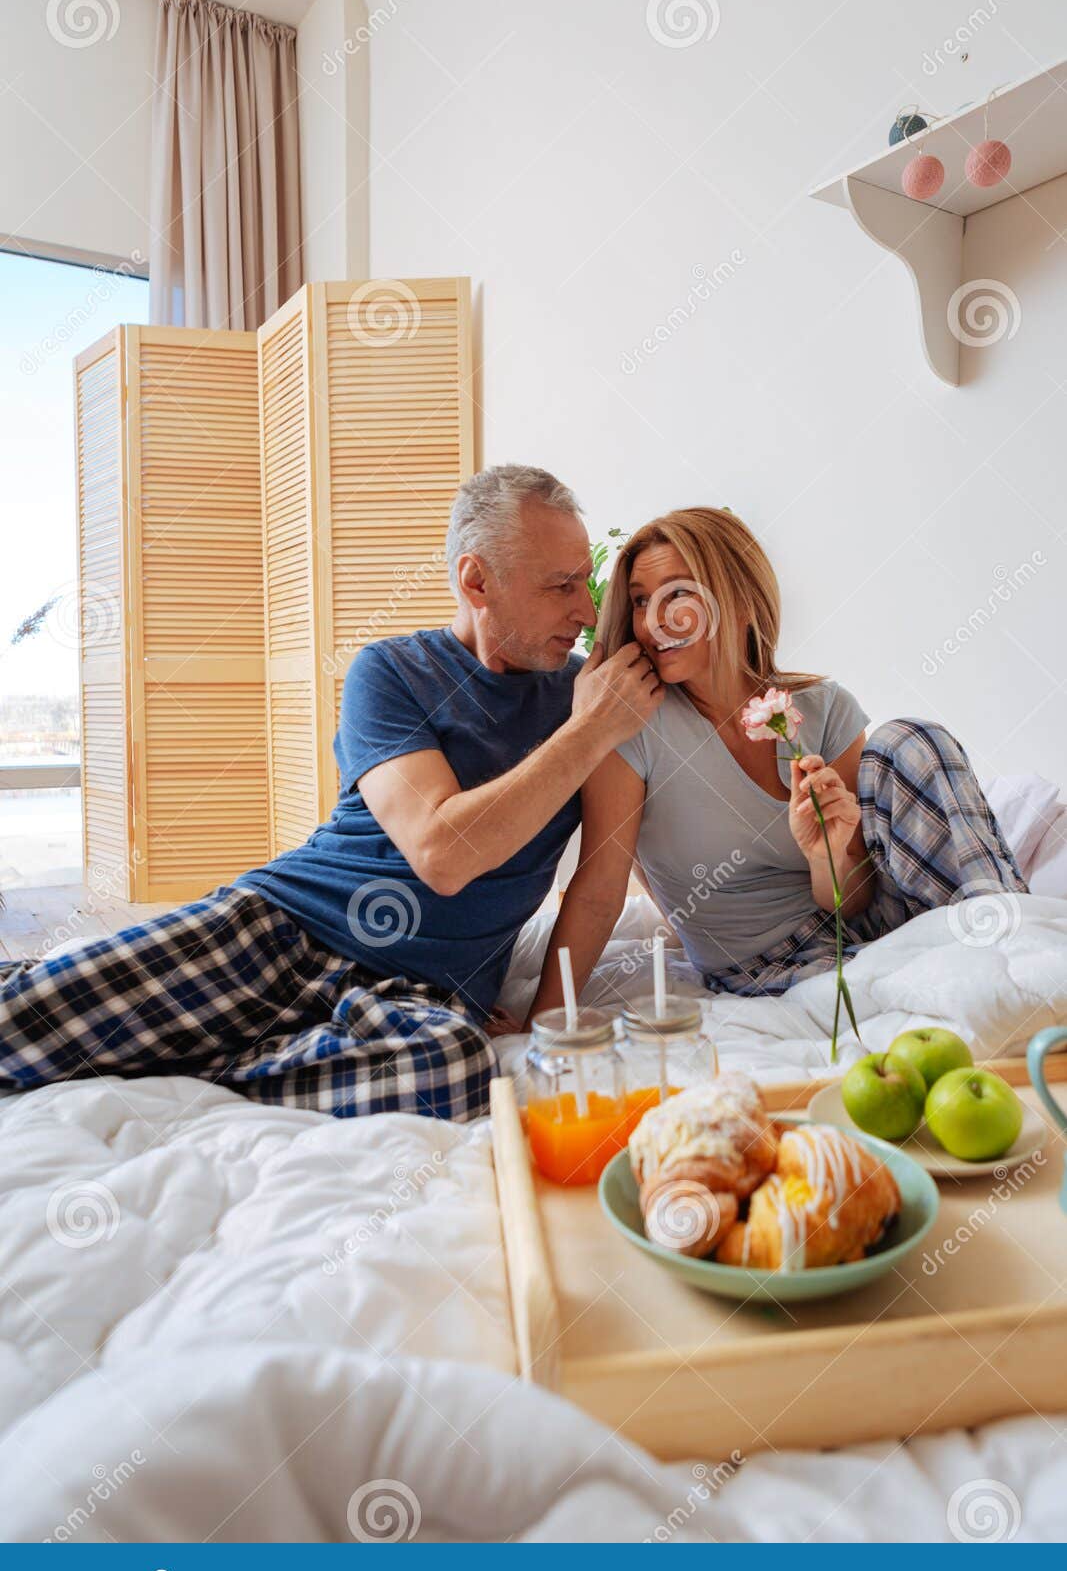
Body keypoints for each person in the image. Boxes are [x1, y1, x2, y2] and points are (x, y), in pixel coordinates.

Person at [0, 465, 662, 1120]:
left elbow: (600, 887)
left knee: (457, 1071)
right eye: (561, 585)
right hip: (287, 931)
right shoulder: (393, 671)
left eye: (584, 582)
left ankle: (192, 1075)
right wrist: (588, 730)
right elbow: (441, 854)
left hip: (424, 992)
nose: (586, 610)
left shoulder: (593, 701)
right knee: (19, 1030)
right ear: (476, 579)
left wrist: (545, 1021)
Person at [524, 506, 1026, 1021]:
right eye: (639, 601)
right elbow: (598, 895)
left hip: (871, 928)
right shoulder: (632, 726)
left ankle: (1017, 949)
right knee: (911, 989)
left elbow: (849, 903)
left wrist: (825, 854)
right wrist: (538, 1021)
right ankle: (995, 979)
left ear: (739, 600)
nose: (654, 621)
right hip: (769, 965)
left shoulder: (823, 707)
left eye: (677, 592)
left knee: (912, 738)